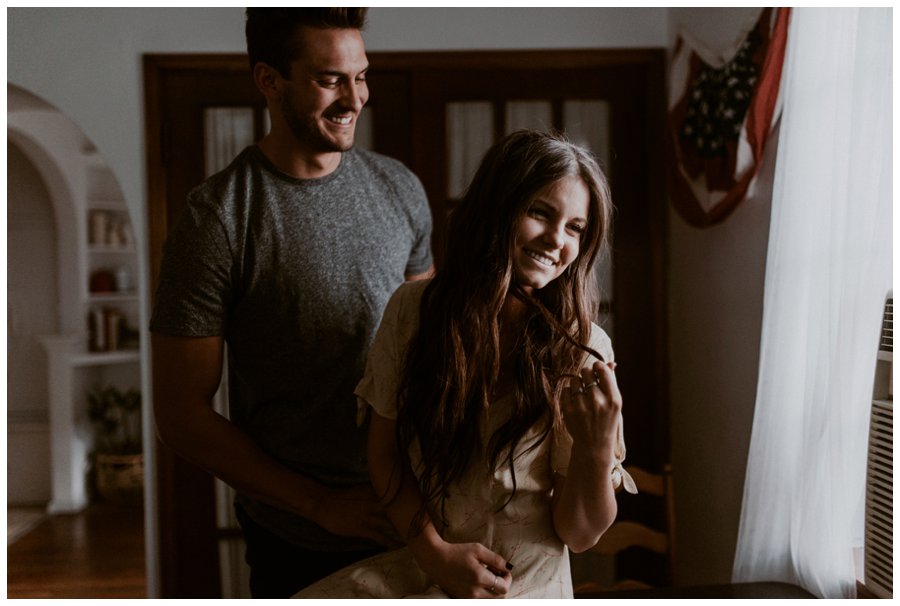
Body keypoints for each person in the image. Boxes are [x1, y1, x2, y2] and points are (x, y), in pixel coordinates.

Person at [149, 8, 434, 598]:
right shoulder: (217, 219)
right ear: (268, 81)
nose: (354, 98)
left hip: (421, 519)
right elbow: (181, 415)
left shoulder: (401, 188)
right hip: (300, 543)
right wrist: (320, 504)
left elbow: (430, 342)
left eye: (362, 76)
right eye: (331, 79)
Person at [295, 129, 637, 599]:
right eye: (540, 212)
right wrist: (433, 553)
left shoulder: (582, 347)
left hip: (527, 585)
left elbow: (580, 534)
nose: (557, 240)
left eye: (575, 227)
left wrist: (597, 449)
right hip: (430, 563)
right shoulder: (413, 312)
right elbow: (385, 454)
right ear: (496, 209)